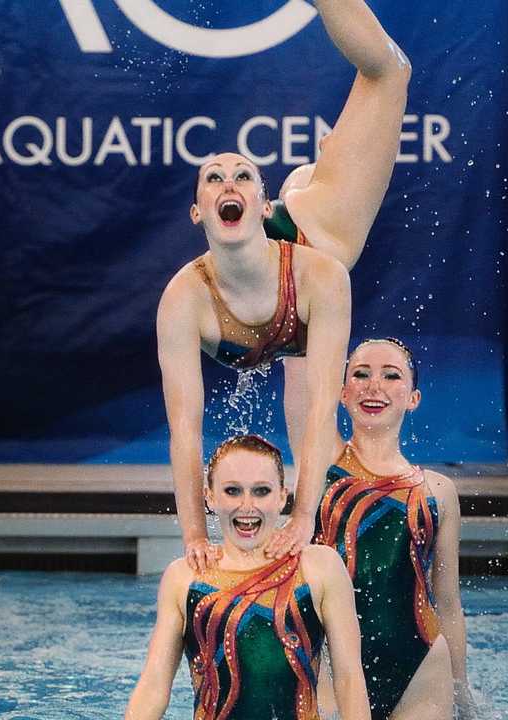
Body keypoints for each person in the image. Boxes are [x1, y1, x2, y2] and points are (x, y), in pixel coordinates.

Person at [158, 0, 411, 572]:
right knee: (301, 399)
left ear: (261, 204)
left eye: (243, 175)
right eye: (214, 178)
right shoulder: (184, 299)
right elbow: (184, 428)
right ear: (198, 212)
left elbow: (326, 403)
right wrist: (195, 533)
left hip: (314, 229)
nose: (228, 182)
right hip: (289, 307)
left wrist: (302, 518)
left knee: (391, 72)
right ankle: (312, 169)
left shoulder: (319, 267)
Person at [125, 435, 370, 720]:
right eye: (232, 491)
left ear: (282, 496)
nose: (247, 506)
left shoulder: (319, 568)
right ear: (210, 496)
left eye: (261, 491)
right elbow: (154, 687)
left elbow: (349, 680)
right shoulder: (185, 577)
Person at [315, 338, 477, 719]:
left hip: (421, 667)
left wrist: (462, 692)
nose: (374, 387)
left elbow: (449, 603)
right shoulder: (320, 462)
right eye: (360, 374)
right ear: (341, 393)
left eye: (392, 376)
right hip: (329, 663)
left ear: (413, 398)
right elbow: (301, 369)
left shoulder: (439, 491)